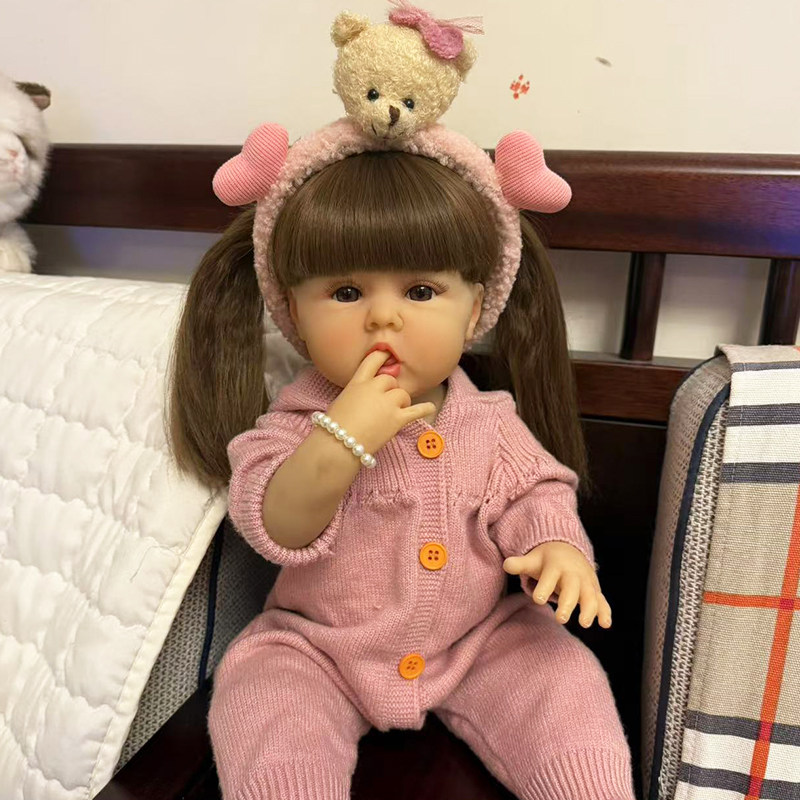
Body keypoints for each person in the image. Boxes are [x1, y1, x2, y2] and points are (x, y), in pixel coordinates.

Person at [167, 8, 637, 800]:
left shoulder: (489, 422)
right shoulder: (291, 421)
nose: (383, 319)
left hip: (480, 641)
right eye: (346, 292)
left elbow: (537, 494)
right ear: (291, 308)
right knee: (259, 698)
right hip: (317, 649)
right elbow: (274, 523)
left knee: (562, 679)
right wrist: (338, 441)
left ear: (476, 305)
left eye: (420, 292)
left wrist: (558, 550)